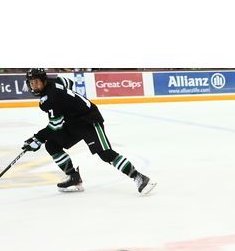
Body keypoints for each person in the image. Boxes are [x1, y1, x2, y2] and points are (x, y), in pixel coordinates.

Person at [22, 68, 155, 194]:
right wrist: (69, 103)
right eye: (31, 83)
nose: (34, 86)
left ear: (44, 81)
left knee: (105, 154)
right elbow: (69, 82)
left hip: (89, 120)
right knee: (52, 144)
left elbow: (55, 126)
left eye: (36, 82)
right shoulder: (55, 81)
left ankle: (139, 177)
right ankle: (73, 178)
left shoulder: (50, 99)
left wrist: (37, 139)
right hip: (72, 122)